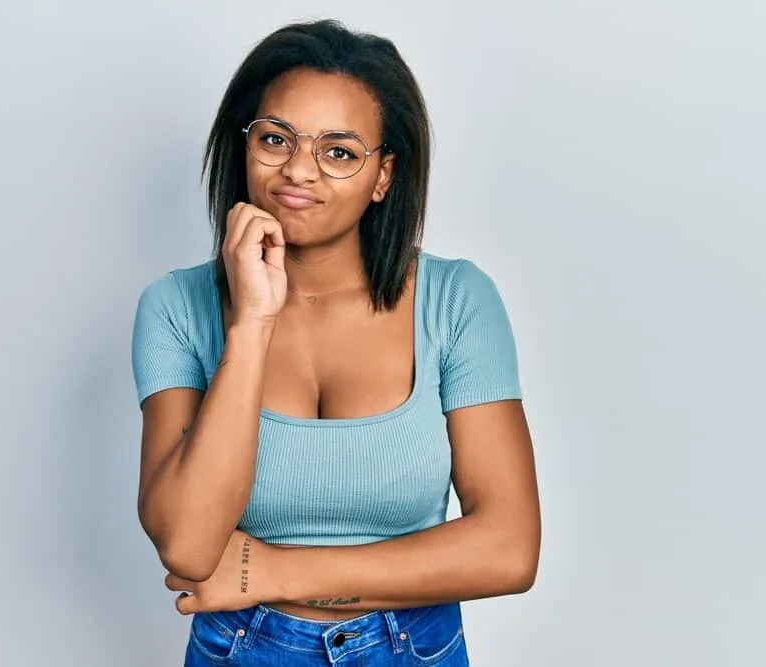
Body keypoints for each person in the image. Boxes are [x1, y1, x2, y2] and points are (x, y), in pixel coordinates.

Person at [131, 19, 541, 666]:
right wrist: (251, 325)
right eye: (275, 139)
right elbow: (187, 543)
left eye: (339, 152)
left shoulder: (457, 300)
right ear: (243, 147)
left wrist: (275, 572)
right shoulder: (176, 307)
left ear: (383, 176)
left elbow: (509, 548)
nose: (298, 169)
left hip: (415, 649)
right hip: (243, 649)